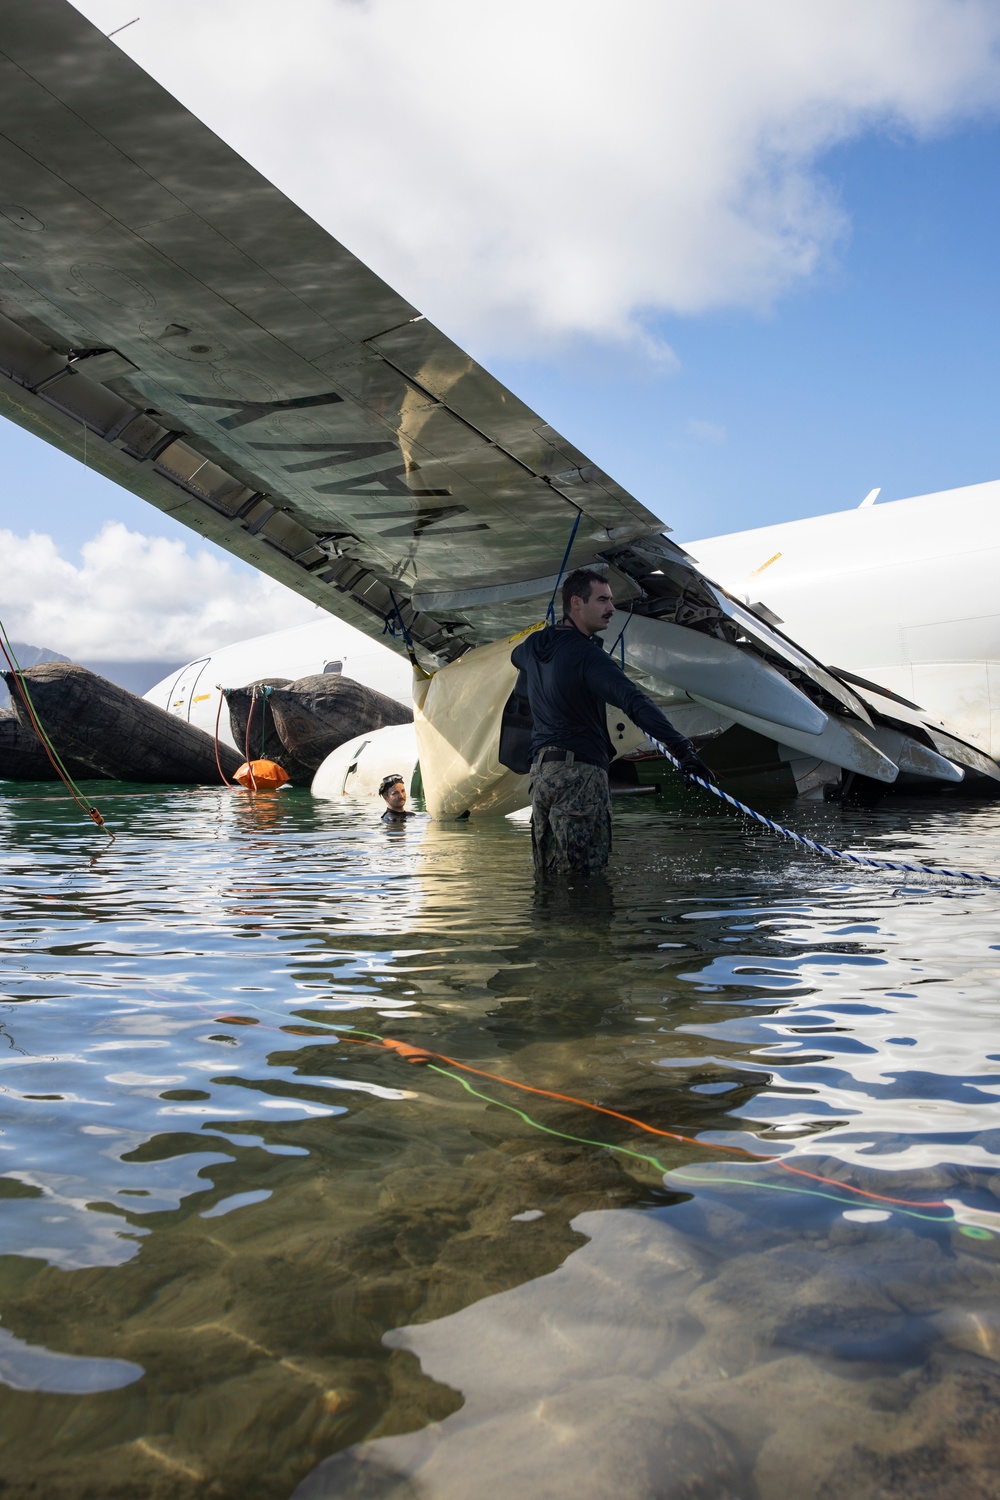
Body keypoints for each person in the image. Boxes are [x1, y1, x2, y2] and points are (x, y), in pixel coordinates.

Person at [510, 567, 715, 876]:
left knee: (548, 876)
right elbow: (636, 702)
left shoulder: (534, 647)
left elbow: (515, 656)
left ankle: (551, 925)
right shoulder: (588, 657)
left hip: (542, 777)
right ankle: (587, 925)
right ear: (576, 603)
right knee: (584, 879)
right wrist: (684, 751)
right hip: (580, 775)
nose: (611, 609)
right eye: (602, 600)